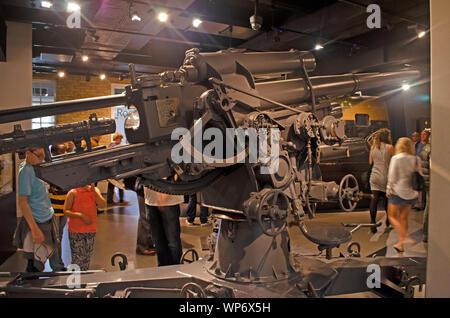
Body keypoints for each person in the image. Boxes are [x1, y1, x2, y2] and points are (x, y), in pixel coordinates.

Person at [13, 147, 65, 272]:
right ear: (28, 153)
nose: (42, 159)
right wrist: (34, 229)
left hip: (47, 217)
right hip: (38, 221)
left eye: (44, 156)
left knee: (54, 257)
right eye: (39, 156)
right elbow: (23, 202)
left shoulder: (35, 168)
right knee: (35, 263)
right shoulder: (26, 171)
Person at [386, 137, 422, 253]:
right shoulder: (416, 159)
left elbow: (392, 176)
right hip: (411, 193)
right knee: (403, 218)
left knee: (391, 216)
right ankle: (401, 244)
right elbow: (419, 174)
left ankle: (405, 237)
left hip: (397, 191)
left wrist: (388, 189)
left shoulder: (396, 158)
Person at [63, 183, 106, 271]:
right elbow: (66, 211)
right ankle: (75, 280)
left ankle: (82, 278)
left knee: (87, 257)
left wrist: (94, 192)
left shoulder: (94, 191)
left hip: (90, 230)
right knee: (77, 258)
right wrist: (81, 215)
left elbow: (102, 205)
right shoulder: (73, 192)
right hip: (76, 230)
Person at [144, 182, 183, 266]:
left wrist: (168, 189)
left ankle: (177, 270)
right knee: (158, 242)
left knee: (173, 242)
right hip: (150, 200)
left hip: (169, 200)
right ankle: (162, 270)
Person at [48, 143, 69, 270]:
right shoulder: (50, 168)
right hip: (54, 208)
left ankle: (58, 263)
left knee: (59, 236)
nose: (65, 154)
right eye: (63, 152)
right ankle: (56, 265)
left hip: (63, 207)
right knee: (55, 237)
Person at [368, 128, 395, 233]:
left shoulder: (373, 147)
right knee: (387, 201)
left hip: (374, 176)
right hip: (385, 177)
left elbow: (370, 162)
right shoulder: (390, 147)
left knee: (374, 200)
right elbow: (393, 162)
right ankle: (388, 221)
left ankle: (372, 223)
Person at [106, 133, 129, 205]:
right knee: (119, 184)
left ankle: (110, 200)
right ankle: (120, 200)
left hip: (112, 168)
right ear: (117, 138)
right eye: (120, 139)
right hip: (115, 168)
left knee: (111, 185)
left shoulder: (111, 145)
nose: (121, 140)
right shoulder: (114, 146)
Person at [420, 129, 431, 243]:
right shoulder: (430, 150)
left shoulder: (425, 149)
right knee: (429, 208)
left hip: (427, 182)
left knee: (428, 207)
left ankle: (425, 233)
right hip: (431, 183)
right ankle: (426, 233)